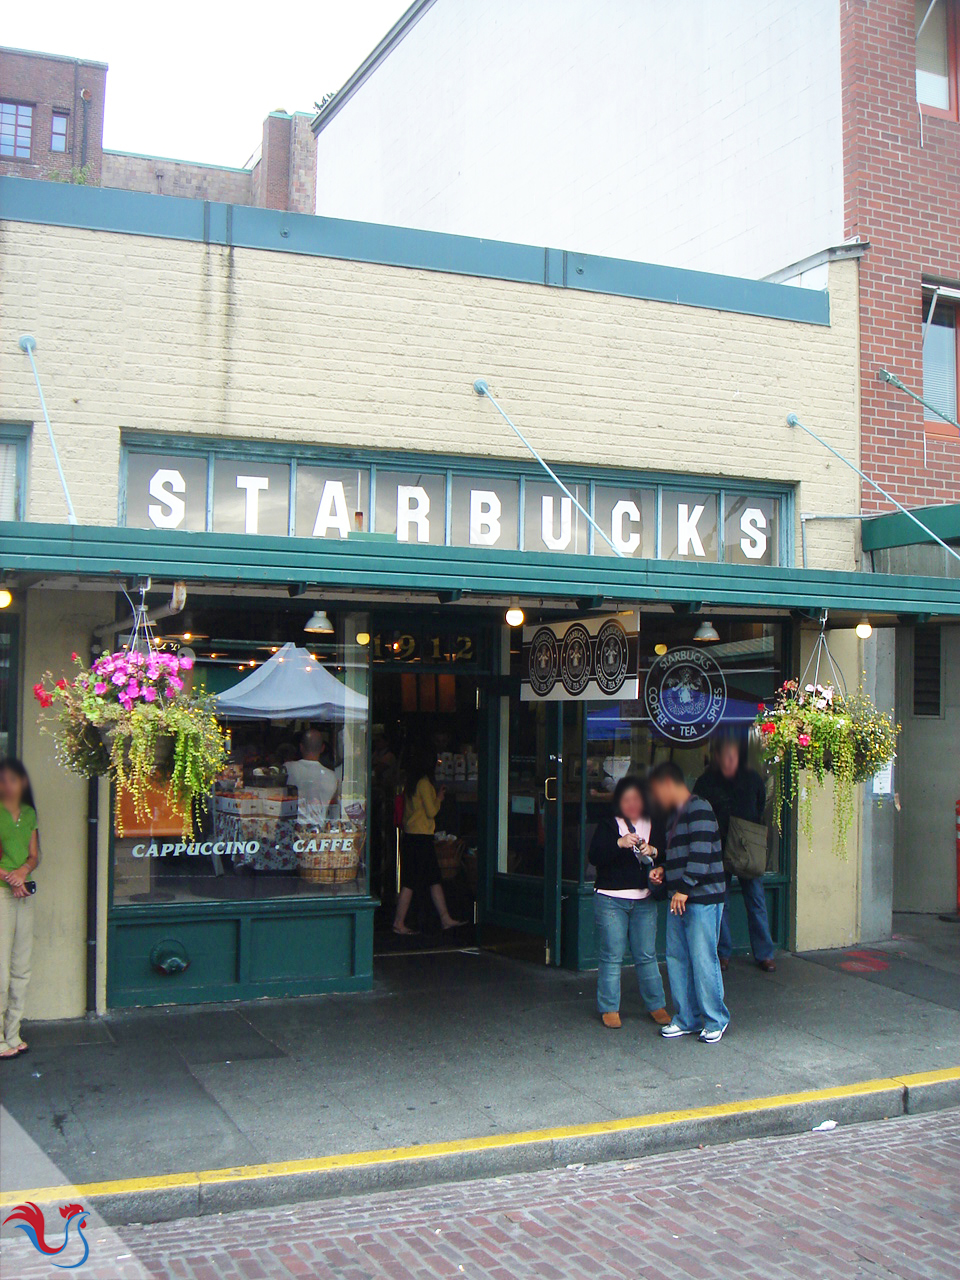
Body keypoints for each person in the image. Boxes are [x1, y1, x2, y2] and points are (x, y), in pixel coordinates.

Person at [648, 761, 729, 1044]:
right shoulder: (677, 815)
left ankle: (715, 1019)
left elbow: (701, 853)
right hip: (680, 897)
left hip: (701, 898)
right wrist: (663, 869)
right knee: (677, 958)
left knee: (703, 958)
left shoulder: (700, 808)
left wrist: (682, 887)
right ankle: (686, 1018)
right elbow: (681, 855)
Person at [588, 776, 670, 1029]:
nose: (632, 804)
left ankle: (657, 1005)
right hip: (611, 899)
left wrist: (655, 856)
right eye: (626, 800)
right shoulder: (609, 825)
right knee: (612, 955)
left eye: (636, 799)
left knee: (646, 955)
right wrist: (618, 843)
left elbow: (668, 855)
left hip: (644, 899)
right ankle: (609, 1008)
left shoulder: (654, 824)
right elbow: (595, 857)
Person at [694, 737, 776, 973]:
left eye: (734, 755)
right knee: (721, 902)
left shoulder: (752, 778)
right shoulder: (706, 781)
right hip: (717, 846)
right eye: (725, 755)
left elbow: (760, 805)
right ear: (717, 757)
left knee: (756, 900)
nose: (730, 759)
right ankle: (722, 953)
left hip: (746, 847)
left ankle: (764, 954)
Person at [393, 747, 464, 935]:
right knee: (415, 880)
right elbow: (432, 811)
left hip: (412, 836)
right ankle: (399, 922)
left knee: (430, 878)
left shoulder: (412, 783)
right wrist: (439, 798)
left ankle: (445, 918)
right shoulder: (424, 784)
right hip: (421, 837)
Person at [0, 759, 40, 1060]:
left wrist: (23, 872)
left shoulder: (28, 814)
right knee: (0, 970)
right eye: (3, 780)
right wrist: (10, 878)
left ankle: (13, 1032)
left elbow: (33, 855)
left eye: (12, 780)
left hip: (23, 893)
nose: (7, 785)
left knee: (21, 967)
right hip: (2, 895)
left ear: (22, 783)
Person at [284, 729, 338, 827]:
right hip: (319, 830)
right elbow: (335, 804)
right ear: (322, 748)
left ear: (301, 747)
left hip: (293, 829)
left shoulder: (288, 768)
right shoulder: (332, 776)